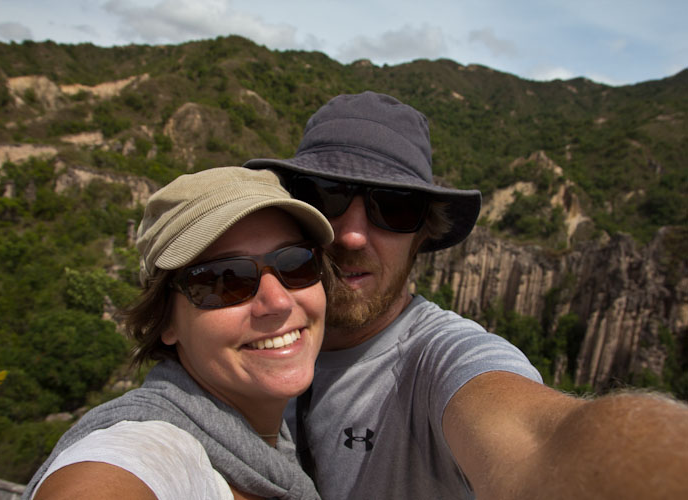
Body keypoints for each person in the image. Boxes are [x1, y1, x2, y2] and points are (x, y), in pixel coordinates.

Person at [244, 91, 688, 499]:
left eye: (394, 207)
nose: (354, 235)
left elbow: (541, 442)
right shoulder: (241, 331)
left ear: (423, 235)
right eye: (326, 196)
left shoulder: (439, 359)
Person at [22, 167, 334, 500]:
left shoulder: (273, 438)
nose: (278, 301)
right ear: (166, 319)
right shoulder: (153, 447)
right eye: (225, 280)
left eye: (296, 263)